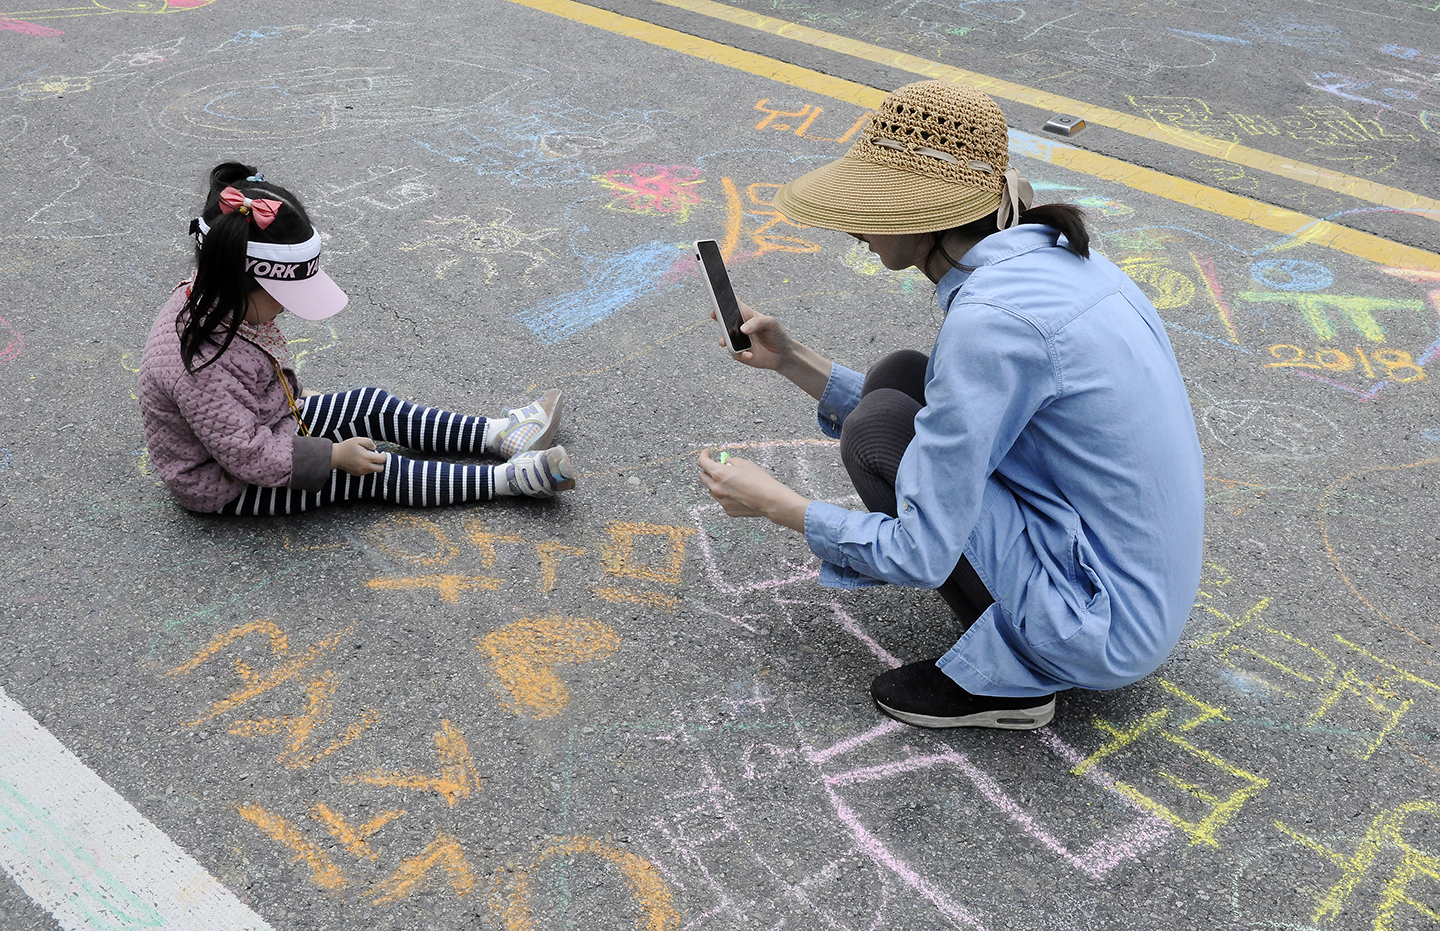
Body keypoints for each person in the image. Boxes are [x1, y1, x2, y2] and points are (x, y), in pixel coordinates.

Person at [697, 82, 1204, 730]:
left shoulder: (992, 319)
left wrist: (776, 503)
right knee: (900, 376)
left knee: (877, 430)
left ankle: (1014, 679)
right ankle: (1026, 628)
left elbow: (920, 550)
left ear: (925, 215)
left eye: (873, 205)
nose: (856, 226)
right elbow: (957, 413)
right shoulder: (1050, 259)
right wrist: (793, 360)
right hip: (1135, 587)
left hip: (1101, 626)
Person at [138, 162, 575, 516]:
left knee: (370, 403)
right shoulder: (200, 365)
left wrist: (296, 397)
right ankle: (510, 481)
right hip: (229, 482)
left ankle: (499, 434)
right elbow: (247, 456)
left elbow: (247, 387)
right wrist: (331, 457)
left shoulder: (214, 296)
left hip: (266, 425)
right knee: (370, 470)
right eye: (282, 296)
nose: (288, 307)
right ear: (239, 282)